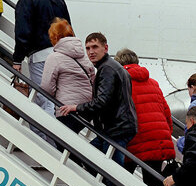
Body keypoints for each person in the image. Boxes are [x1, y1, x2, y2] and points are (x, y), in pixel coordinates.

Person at [56, 32, 137, 167]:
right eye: (88, 48)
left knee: (112, 175)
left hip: (115, 129)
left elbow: (102, 101)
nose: (91, 52)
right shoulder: (112, 67)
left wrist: (76, 107)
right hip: (117, 127)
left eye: (95, 47)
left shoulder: (106, 69)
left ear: (105, 48)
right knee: (90, 161)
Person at [115, 48, 176, 186]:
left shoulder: (120, 82)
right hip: (157, 138)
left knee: (121, 180)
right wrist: (165, 133)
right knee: (153, 185)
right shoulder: (153, 83)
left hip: (133, 139)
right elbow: (167, 114)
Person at [12, 0, 70, 115]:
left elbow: (22, 33)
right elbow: (68, 28)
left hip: (40, 57)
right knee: (59, 99)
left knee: (44, 100)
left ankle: (46, 138)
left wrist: (17, 60)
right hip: (62, 54)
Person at [40, 18, 94, 136]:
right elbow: (93, 79)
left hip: (66, 109)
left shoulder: (54, 57)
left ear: (55, 37)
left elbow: (46, 86)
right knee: (70, 143)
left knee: (62, 144)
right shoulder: (84, 56)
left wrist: (56, 95)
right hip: (86, 109)